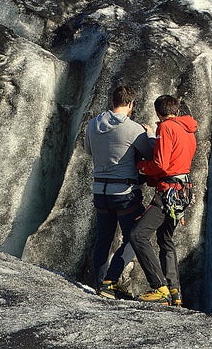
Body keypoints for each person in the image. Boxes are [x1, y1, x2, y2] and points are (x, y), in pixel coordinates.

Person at [83, 85, 153, 300]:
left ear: (112, 102)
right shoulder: (133, 129)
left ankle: (99, 283)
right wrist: (150, 133)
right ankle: (109, 282)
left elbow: (87, 150)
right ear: (130, 104)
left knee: (103, 239)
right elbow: (150, 153)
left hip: (100, 191)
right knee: (135, 238)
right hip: (124, 192)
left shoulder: (93, 124)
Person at [131, 95, 198, 306]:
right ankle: (175, 291)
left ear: (158, 112)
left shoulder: (166, 128)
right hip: (183, 191)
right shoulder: (188, 130)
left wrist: (141, 166)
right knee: (165, 239)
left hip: (168, 192)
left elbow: (161, 164)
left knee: (138, 235)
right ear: (176, 110)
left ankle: (159, 287)